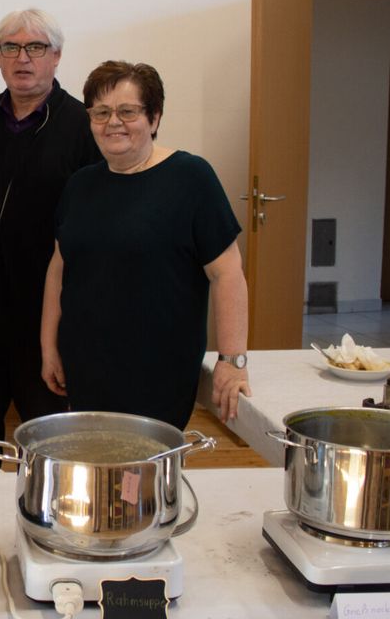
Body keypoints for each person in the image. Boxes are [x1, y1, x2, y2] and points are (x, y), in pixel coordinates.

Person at [41, 61, 251, 429]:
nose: (113, 122)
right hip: (86, 366)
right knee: (97, 471)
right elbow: (59, 270)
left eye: (128, 111)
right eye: (101, 113)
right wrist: (48, 347)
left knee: (142, 481)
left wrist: (232, 361)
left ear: (154, 118)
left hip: (158, 372)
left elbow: (227, 274)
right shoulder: (80, 185)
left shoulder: (191, 178)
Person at [0, 9, 100, 472]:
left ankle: (48, 535)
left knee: (51, 453)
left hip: (47, 329)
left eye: (35, 47)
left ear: (56, 56)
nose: (23, 58)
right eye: (11, 48)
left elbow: (94, 233)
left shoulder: (82, 127)